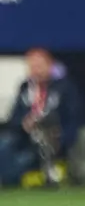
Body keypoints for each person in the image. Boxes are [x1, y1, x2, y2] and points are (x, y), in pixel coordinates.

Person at [0, 48, 80, 188]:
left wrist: (61, 138)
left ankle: (20, 177)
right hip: (26, 138)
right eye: (32, 67)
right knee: (4, 145)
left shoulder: (64, 88)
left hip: (51, 142)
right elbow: (14, 118)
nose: (36, 71)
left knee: (21, 164)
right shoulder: (25, 88)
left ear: (50, 66)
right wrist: (23, 124)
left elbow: (73, 119)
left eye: (40, 66)